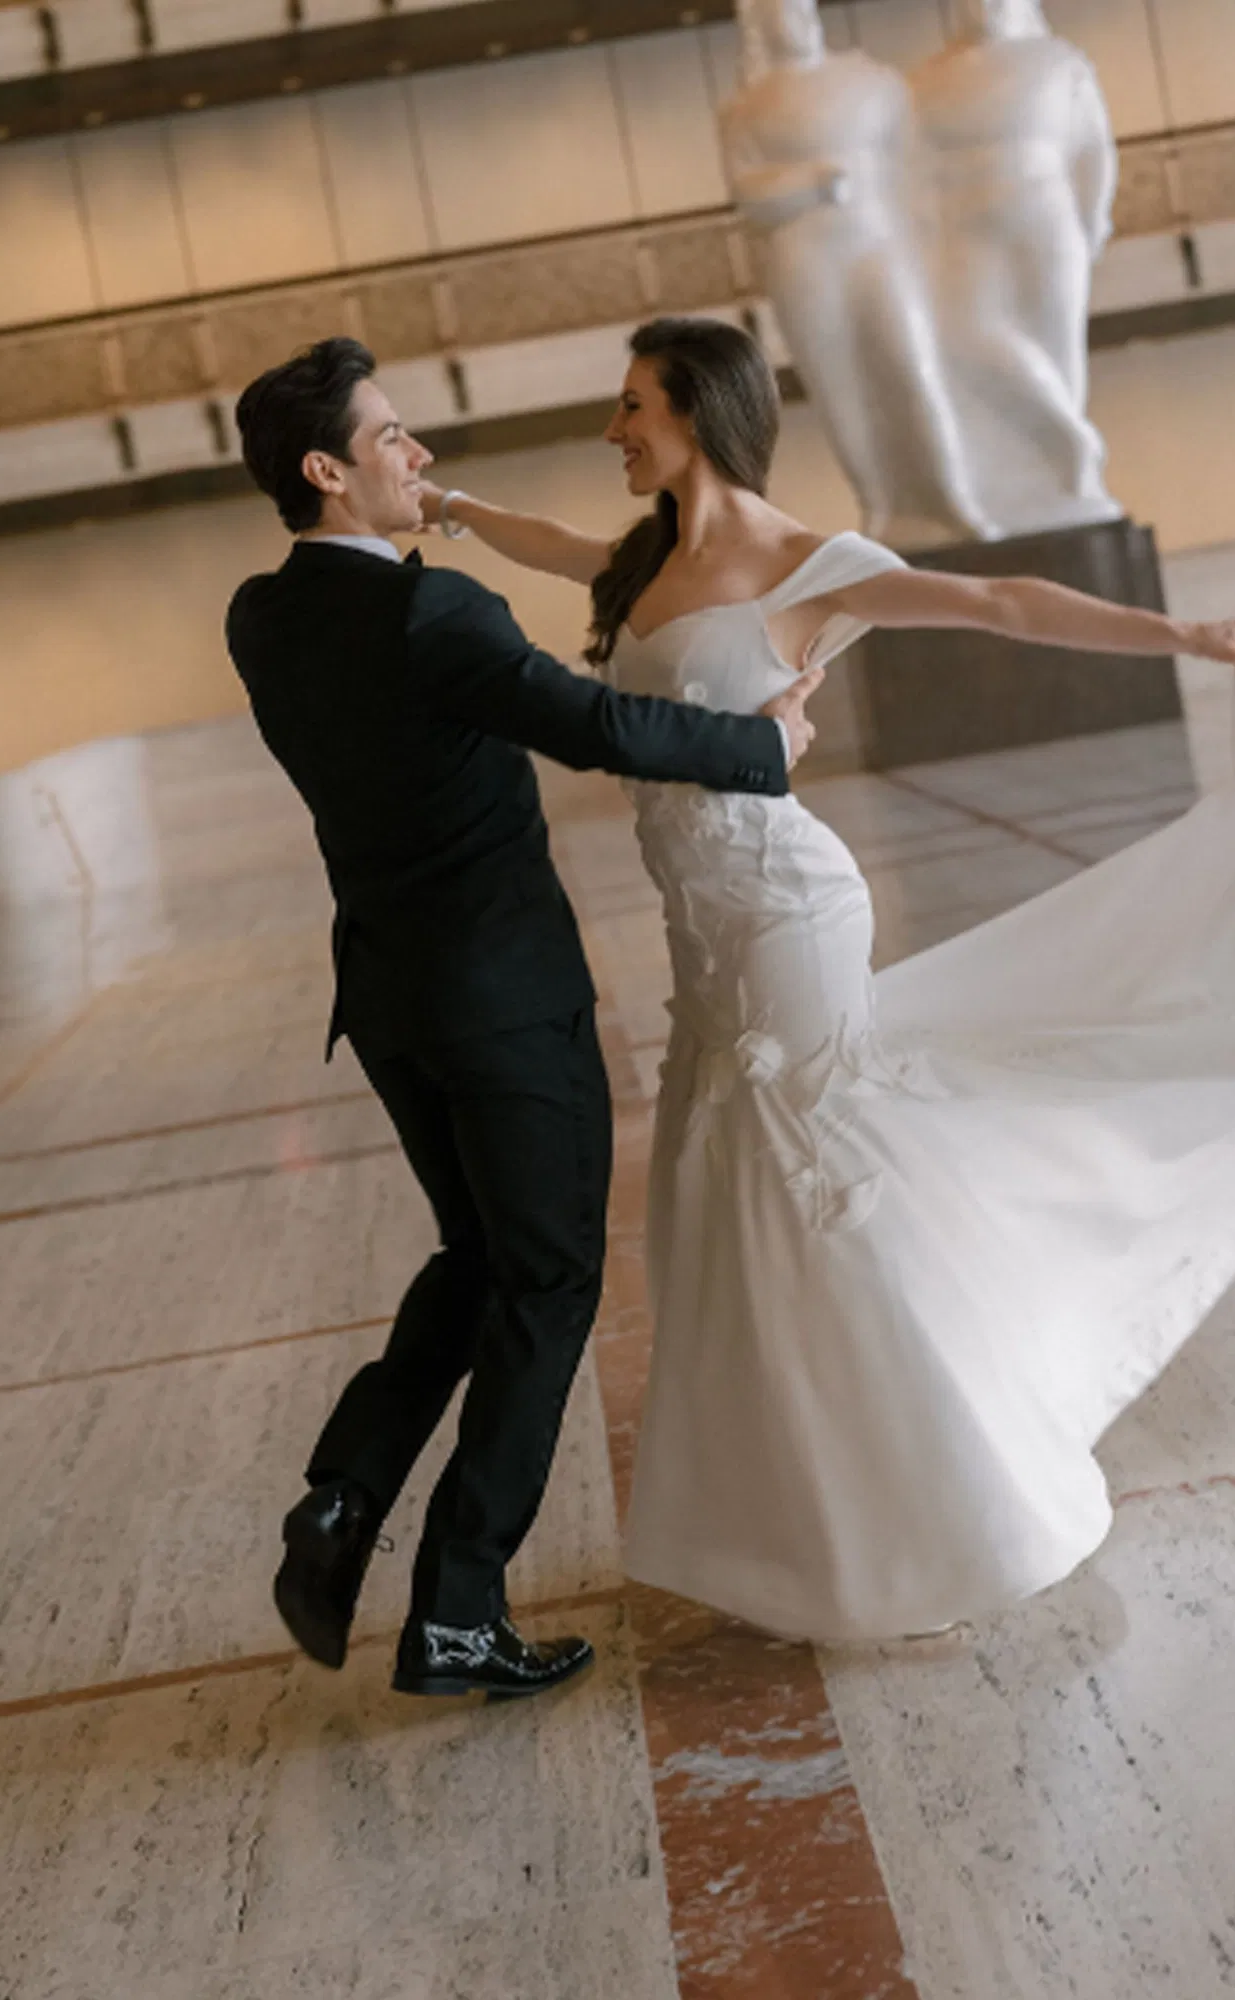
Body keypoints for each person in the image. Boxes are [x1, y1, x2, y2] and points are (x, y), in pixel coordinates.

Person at [417, 314, 1235, 1641]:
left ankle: (948, 1507)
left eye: (632, 405)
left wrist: (1185, 635)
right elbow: (546, 544)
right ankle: (793, 1523)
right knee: (722, 1188)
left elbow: (1002, 604)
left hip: (783, 908)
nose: (613, 430)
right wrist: (447, 508)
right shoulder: (640, 561)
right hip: (699, 924)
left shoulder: (808, 566)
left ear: (697, 411)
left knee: (809, 1178)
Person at [226, 337, 822, 1697]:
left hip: (392, 1004)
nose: (419, 453)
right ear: (326, 469)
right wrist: (764, 744)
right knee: (548, 1282)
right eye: (391, 437)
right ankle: (457, 1606)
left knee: (478, 1255)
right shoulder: (434, 615)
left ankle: (342, 1497)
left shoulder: (260, 620)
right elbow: (596, 726)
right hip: (503, 1004)